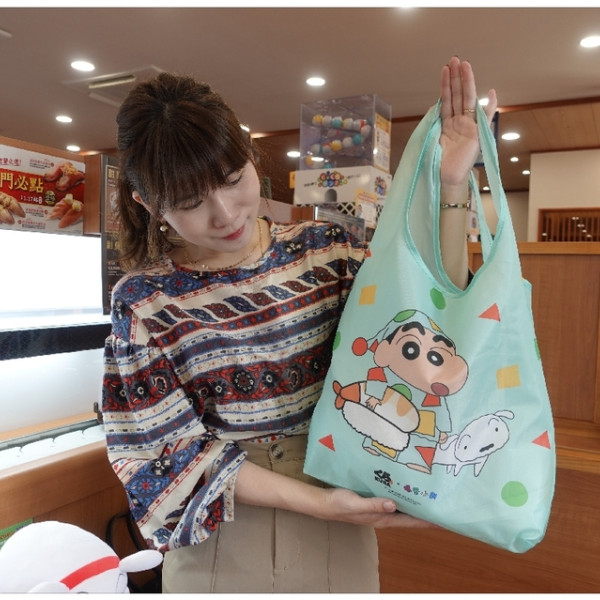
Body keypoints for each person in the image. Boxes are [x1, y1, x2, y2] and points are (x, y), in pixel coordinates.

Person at [101, 57, 497, 593]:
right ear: (149, 204)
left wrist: (452, 181)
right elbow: (163, 451)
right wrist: (321, 503)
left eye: (233, 179)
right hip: (223, 528)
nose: (226, 214)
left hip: (339, 506)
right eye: (191, 202)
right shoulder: (144, 302)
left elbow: (431, 318)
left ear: (250, 153)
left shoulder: (326, 253)